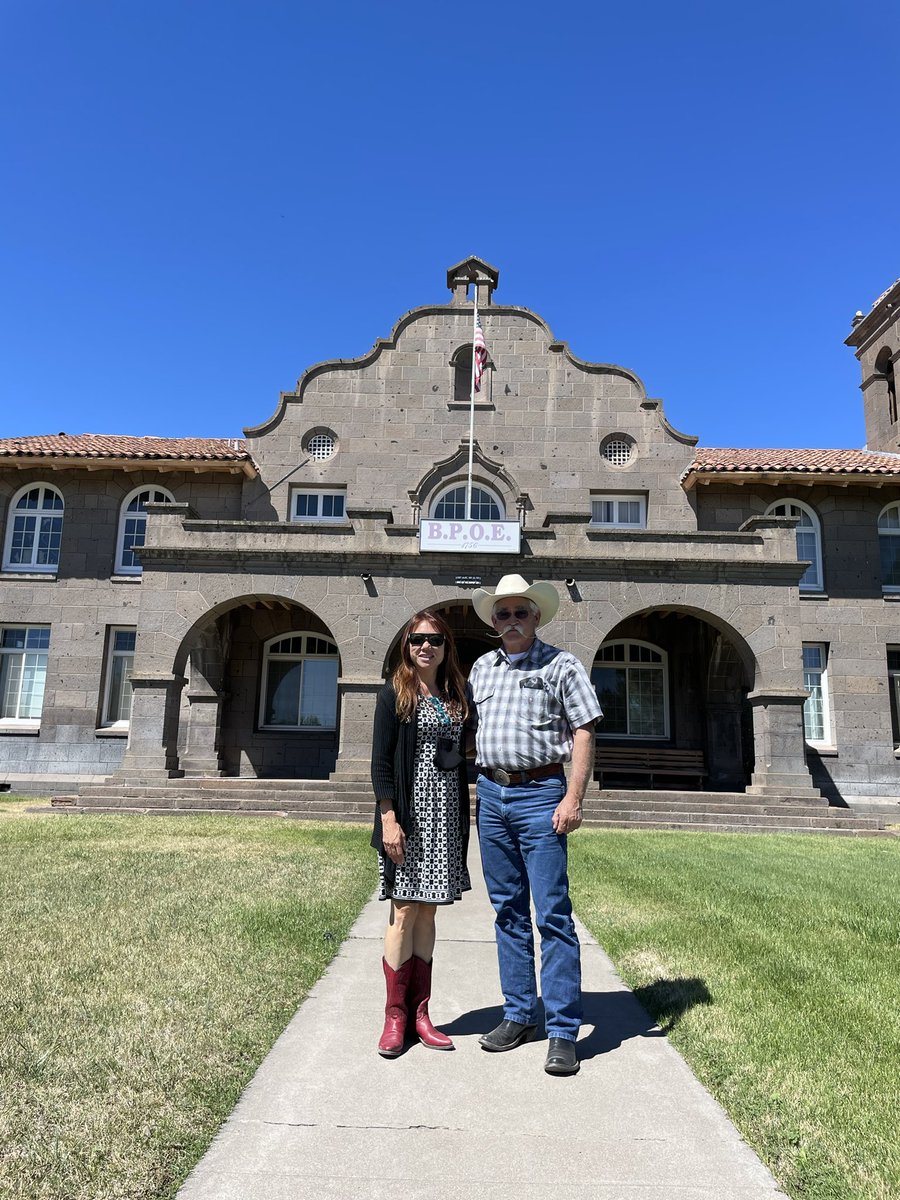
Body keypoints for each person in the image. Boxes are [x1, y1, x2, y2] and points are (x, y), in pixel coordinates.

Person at [468, 574, 602, 1076]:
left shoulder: (561, 665)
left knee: (552, 915)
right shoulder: (481, 668)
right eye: (502, 614)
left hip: (542, 795)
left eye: (520, 612)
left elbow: (584, 731)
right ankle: (519, 1014)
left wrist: (574, 796)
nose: (511, 621)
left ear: (536, 617)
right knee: (507, 911)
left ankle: (563, 1029)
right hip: (492, 794)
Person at [370, 610, 471, 1058]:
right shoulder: (394, 693)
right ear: (406, 645)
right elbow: (381, 763)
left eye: (434, 639)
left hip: (445, 817)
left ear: (446, 646)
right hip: (409, 818)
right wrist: (388, 819)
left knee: (429, 914)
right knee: (404, 911)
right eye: (416, 640)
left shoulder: (454, 696)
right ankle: (395, 1016)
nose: (424, 646)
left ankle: (421, 1014)